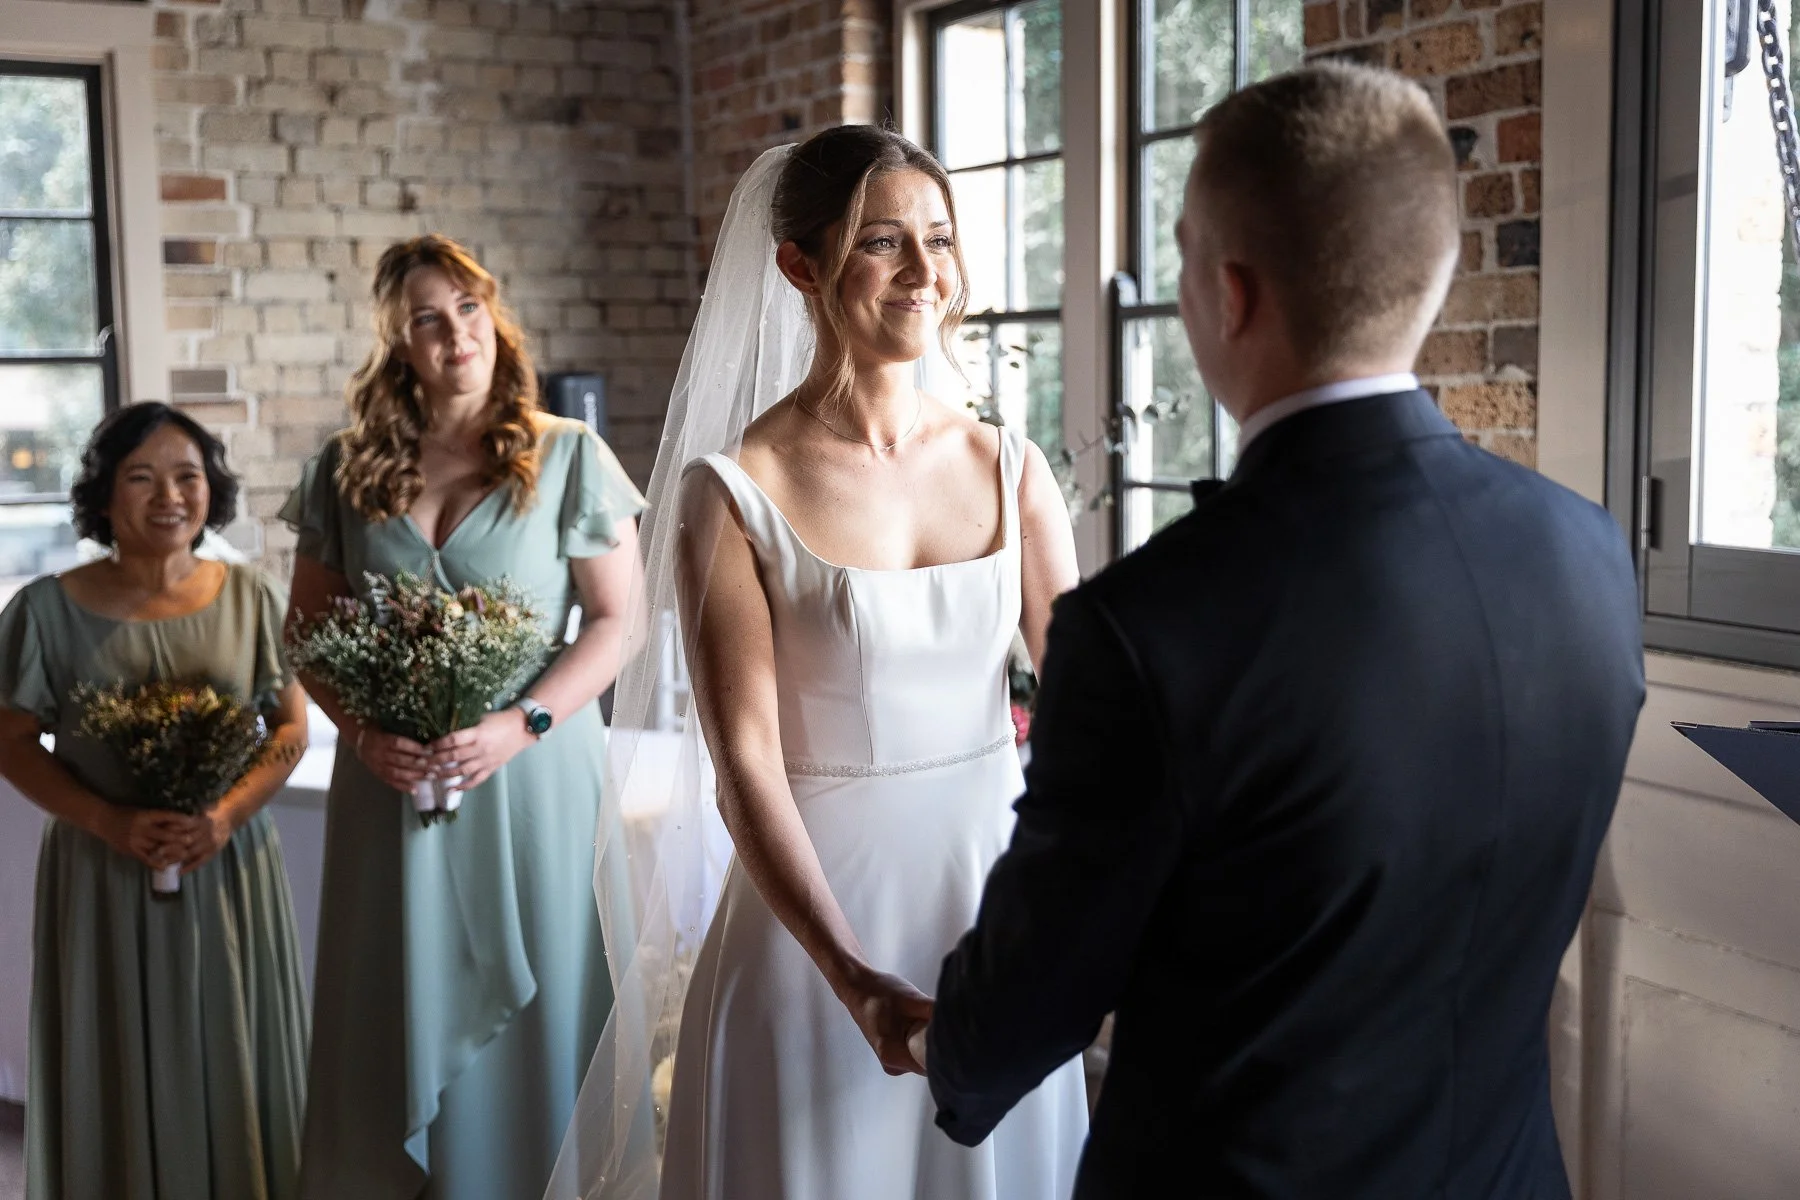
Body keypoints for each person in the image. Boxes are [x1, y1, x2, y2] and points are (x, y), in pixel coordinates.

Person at [921, 62, 1648, 1199]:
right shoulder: (1591, 556)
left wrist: (941, 1054)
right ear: (1435, 276)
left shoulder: (1146, 628)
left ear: (1230, 292)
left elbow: (1021, 1008)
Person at [549, 126, 1090, 1200]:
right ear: (801, 265)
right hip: (814, 941)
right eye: (882, 242)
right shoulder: (732, 492)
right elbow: (743, 765)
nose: (925, 273)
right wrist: (854, 981)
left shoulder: (1010, 467)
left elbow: (1095, 713)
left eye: (937, 238)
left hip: (993, 907)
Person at [283, 234, 644, 1200]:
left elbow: (619, 622)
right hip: (392, 781)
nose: (456, 335)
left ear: (496, 315)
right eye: (427, 320)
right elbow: (307, 630)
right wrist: (364, 735)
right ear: (397, 344)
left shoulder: (569, 456)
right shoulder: (345, 472)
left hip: (533, 775)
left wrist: (519, 725)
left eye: (470, 309)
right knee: (387, 999)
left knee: (546, 1004)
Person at [0, 402, 311, 1200]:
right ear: (103, 496)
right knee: (113, 1050)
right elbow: (8, 742)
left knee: (231, 1049)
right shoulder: (43, 610)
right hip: (101, 870)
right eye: (141, 477)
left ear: (213, 491)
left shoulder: (253, 598)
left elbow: (289, 730)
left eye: (188, 476)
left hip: (226, 866)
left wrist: (225, 816)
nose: (169, 495)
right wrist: (109, 820)